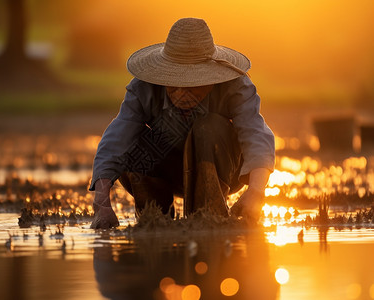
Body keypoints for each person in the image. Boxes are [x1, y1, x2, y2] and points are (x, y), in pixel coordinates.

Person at [89, 18, 275, 229]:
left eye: (192, 86)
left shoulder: (236, 87)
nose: (181, 93)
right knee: (134, 140)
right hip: (167, 170)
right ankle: (154, 220)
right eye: (174, 86)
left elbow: (255, 134)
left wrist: (256, 192)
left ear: (211, 80)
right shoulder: (144, 88)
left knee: (209, 126)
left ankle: (209, 216)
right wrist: (101, 202)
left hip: (222, 168)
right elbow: (117, 138)